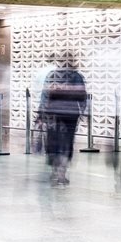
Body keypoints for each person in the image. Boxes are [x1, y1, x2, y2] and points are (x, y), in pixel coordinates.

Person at [40, 55, 87, 186]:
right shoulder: (77, 76)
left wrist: (41, 112)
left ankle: (55, 171)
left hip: (54, 113)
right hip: (71, 114)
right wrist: (83, 111)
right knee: (67, 143)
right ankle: (62, 174)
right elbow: (83, 96)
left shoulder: (52, 75)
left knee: (54, 142)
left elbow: (44, 95)